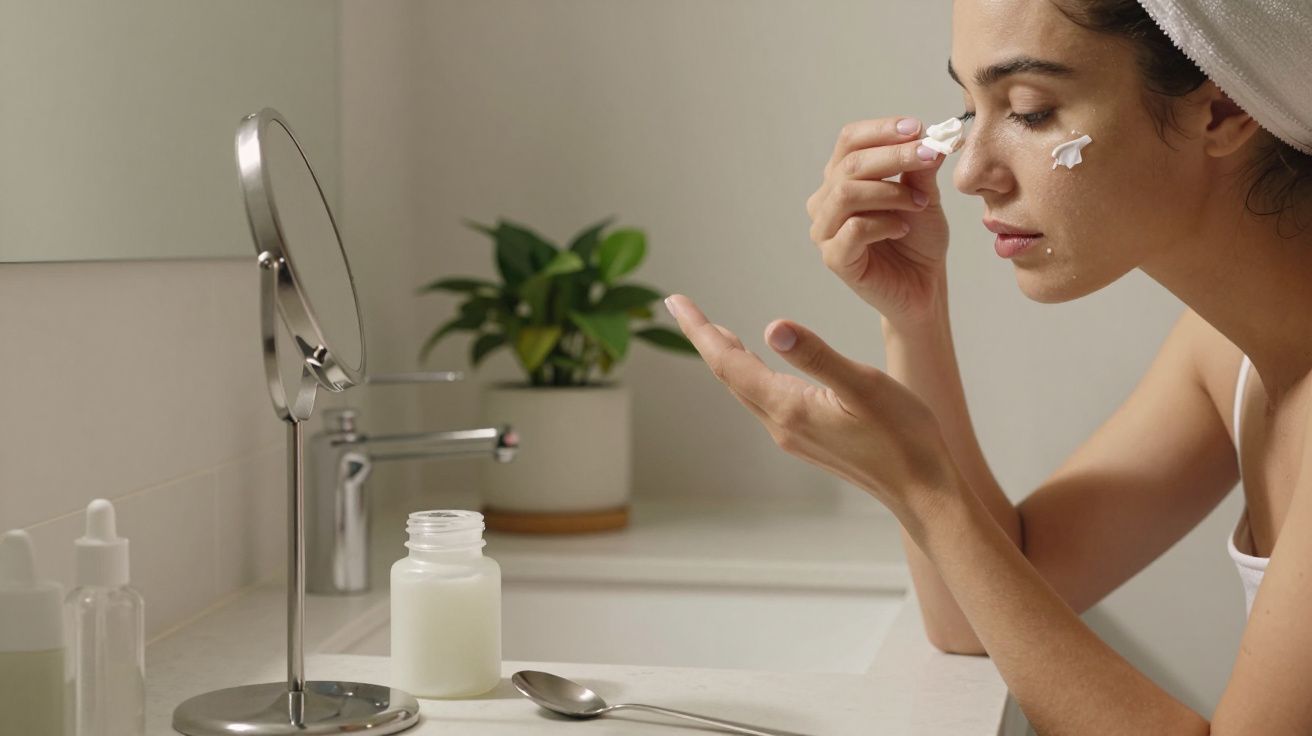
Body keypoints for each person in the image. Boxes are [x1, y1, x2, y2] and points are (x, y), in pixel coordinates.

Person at [663, 0, 1312, 732]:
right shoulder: (1227, 357)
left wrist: (924, 488)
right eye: (969, 107)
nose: (970, 171)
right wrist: (914, 316)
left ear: (1223, 106)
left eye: (1031, 111)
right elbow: (980, 609)